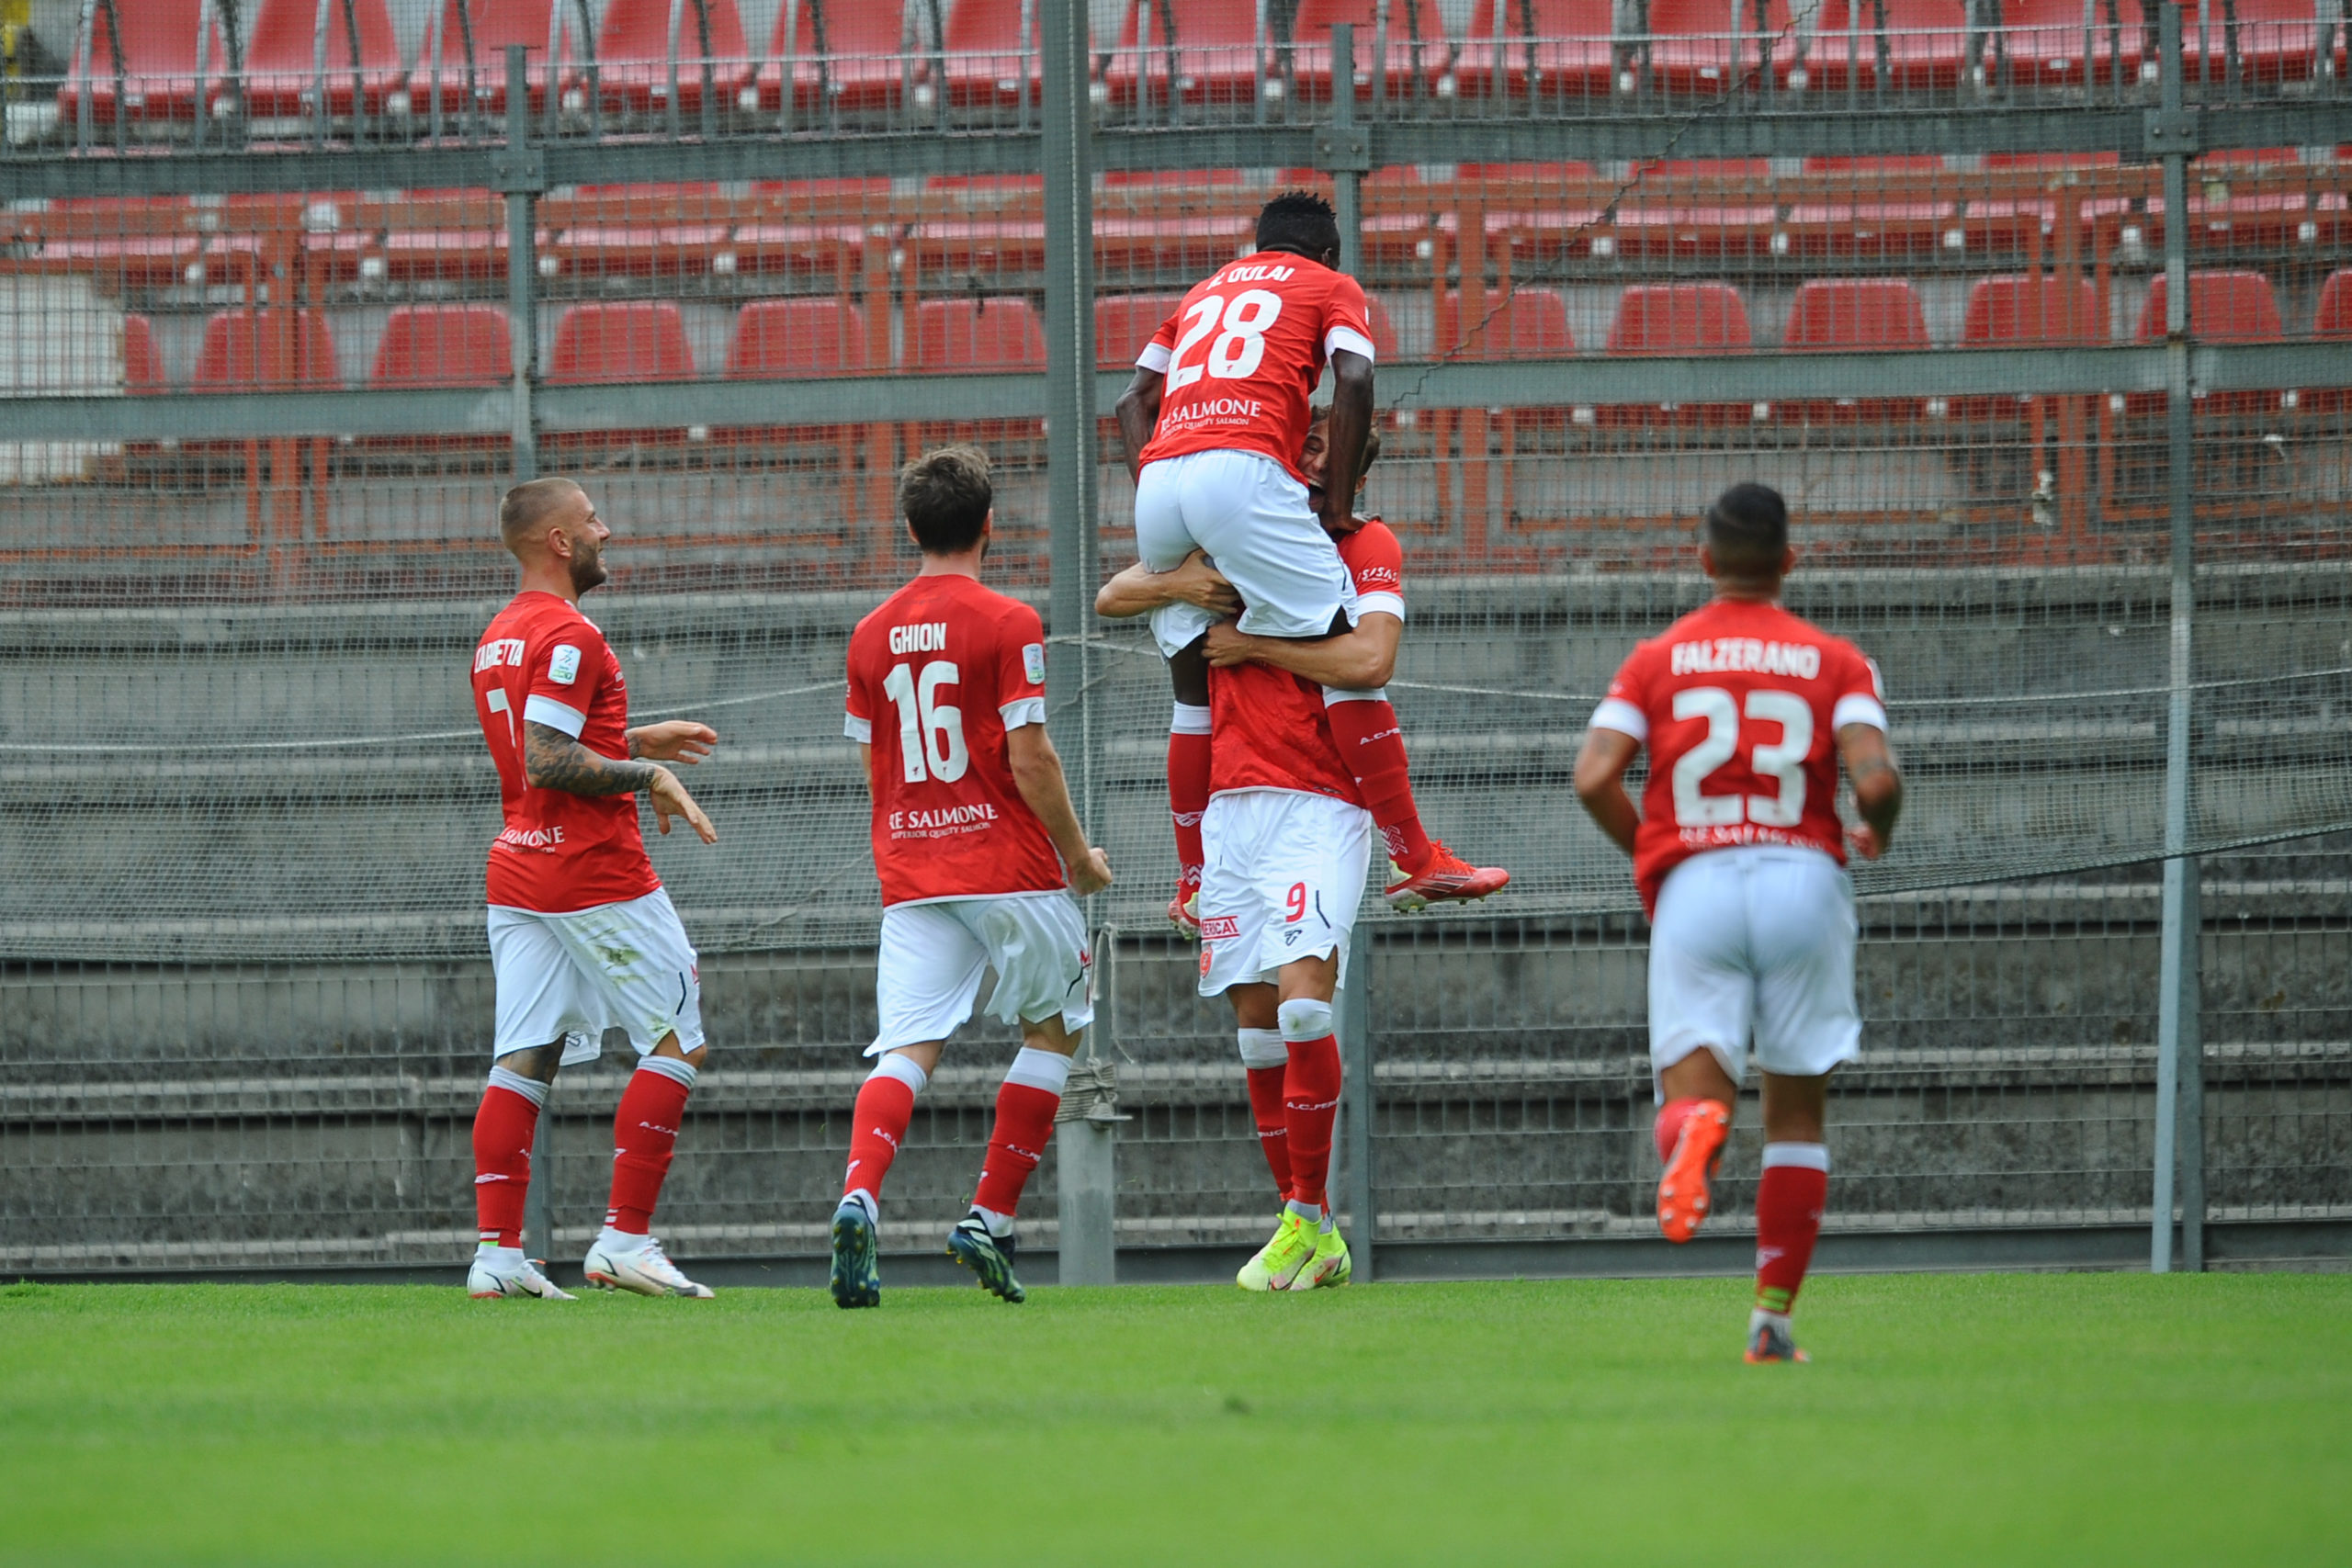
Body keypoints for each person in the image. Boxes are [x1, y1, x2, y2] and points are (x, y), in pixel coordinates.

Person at [1571, 483, 1904, 1363]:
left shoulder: (1657, 659)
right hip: (1804, 879)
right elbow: (1876, 779)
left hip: (1698, 881)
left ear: (1705, 559)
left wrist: (1657, 847)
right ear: (1789, 562)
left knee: (1692, 1094)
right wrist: (1877, 826)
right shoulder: (1839, 661)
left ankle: (1695, 1133)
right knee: (1795, 1116)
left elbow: (1594, 774)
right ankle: (1772, 1322)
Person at [1114, 191, 1503, 936]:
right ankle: (1414, 856)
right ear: (1328, 253)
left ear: (1257, 245)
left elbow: (1132, 400)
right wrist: (1337, 508)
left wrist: (1172, 496)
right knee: (1343, 654)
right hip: (1242, 470)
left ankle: (1192, 882)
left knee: (1191, 695)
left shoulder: (1200, 294)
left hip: (1159, 480)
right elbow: (1353, 378)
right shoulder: (1329, 284)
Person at [831, 446, 1114, 1309]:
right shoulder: (1008, 620)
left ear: (909, 528)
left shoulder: (869, 633)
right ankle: (989, 1217)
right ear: (992, 524)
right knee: (1054, 1028)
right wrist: (1078, 856)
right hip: (1010, 866)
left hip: (913, 870)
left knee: (906, 1048)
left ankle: (859, 1196)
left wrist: (910, 835)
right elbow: (1031, 757)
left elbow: (875, 765)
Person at [465, 478, 723, 1302]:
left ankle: (498, 1256)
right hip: (592, 869)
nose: (605, 531)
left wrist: (636, 739)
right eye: (591, 521)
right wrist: (646, 773)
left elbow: (542, 745)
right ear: (559, 542)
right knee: (677, 1037)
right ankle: (626, 1240)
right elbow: (547, 758)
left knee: (526, 1053)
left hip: (520, 866)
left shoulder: (500, 634)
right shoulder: (569, 633)